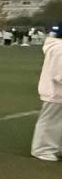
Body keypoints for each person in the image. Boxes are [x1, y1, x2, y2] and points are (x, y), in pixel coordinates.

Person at [30, 24, 61, 162]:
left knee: (57, 122)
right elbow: (58, 73)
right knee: (50, 121)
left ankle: (55, 147)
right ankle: (42, 150)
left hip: (57, 91)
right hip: (55, 92)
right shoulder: (59, 48)